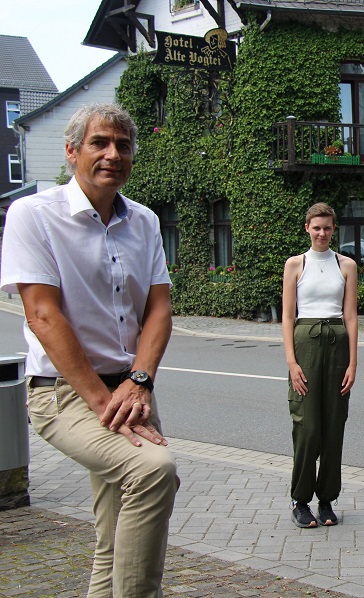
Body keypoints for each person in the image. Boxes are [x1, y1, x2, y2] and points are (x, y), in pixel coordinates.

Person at [0, 103, 179, 597]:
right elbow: (42, 315)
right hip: (64, 394)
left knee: (114, 536)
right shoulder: (33, 215)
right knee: (153, 471)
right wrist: (105, 405)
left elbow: (159, 311)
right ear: (72, 151)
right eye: (99, 143)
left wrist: (139, 381)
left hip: (128, 389)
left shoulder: (143, 221)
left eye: (123, 145)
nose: (112, 154)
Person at [281, 202, 358, 528]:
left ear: (333, 229)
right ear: (307, 229)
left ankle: (326, 500)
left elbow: (351, 315)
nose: (322, 233)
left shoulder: (347, 265)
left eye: (327, 227)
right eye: (316, 227)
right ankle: (300, 500)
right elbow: (287, 316)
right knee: (307, 427)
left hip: (337, 344)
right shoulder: (295, 264)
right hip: (305, 344)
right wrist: (292, 362)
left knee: (333, 427)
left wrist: (353, 362)